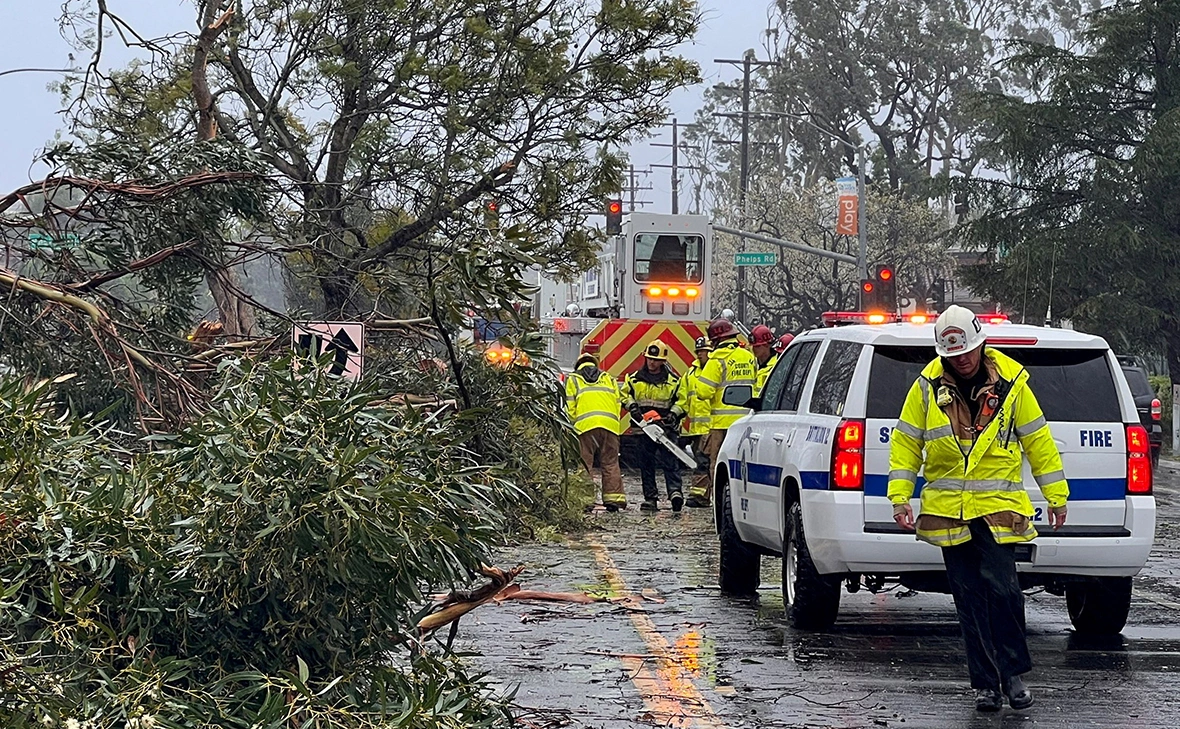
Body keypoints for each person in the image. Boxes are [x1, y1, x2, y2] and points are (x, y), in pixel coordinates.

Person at [888, 305, 1069, 712]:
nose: (963, 359)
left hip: (998, 508)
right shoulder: (926, 388)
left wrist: (1057, 496)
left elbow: (1038, 441)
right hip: (951, 509)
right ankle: (985, 684)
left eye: (967, 350)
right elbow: (905, 444)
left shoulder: (1012, 384)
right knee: (968, 598)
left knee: (1003, 591)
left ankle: (1013, 675)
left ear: (980, 343)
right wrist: (899, 496)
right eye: (953, 354)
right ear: (942, 353)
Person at [685, 318, 758, 507]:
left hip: (721, 425)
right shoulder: (748, 356)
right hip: (746, 422)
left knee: (718, 466)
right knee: (743, 466)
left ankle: (720, 506)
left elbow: (703, 391)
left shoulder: (717, 359)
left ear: (716, 340)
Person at [623, 341, 686, 512]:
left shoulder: (673, 381)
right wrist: (632, 407)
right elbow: (624, 395)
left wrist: (673, 414)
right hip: (643, 429)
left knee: (671, 461)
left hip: (666, 428)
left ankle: (675, 493)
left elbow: (683, 400)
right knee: (646, 464)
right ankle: (650, 498)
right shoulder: (634, 378)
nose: (651, 362)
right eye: (649, 358)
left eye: (655, 360)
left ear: (662, 361)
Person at [565, 352, 627, 511]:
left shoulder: (573, 379)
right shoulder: (608, 378)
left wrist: (571, 428)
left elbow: (570, 408)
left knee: (585, 464)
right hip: (610, 425)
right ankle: (614, 499)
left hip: (585, 426)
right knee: (611, 462)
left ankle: (586, 501)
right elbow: (617, 403)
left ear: (578, 365)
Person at [679, 337, 714, 497]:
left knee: (704, 462)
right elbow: (683, 399)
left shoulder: (715, 370)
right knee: (700, 462)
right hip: (695, 428)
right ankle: (702, 494)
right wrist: (677, 419)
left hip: (712, 426)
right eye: (698, 351)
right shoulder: (690, 373)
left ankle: (701, 495)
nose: (700, 354)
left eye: (703, 351)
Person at [750, 325, 777, 396]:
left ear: (767, 345)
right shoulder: (751, 364)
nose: (754, 349)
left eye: (758, 346)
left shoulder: (777, 366)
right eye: (753, 346)